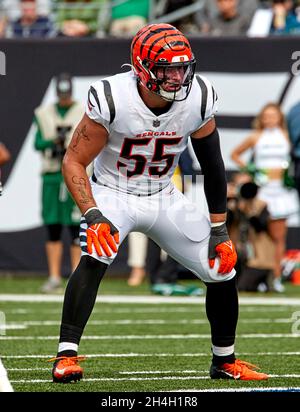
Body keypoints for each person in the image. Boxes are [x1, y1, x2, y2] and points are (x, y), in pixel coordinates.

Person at [49, 23, 268, 383]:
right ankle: (65, 355)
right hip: (113, 191)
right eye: (167, 69)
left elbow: (212, 165)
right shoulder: (112, 96)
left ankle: (224, 361)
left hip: (163, 194)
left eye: (182, 67)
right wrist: (93, 212)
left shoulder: (197, 97)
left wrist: (219, 228)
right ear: (142, 67)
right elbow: (73, 161)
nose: (177, 77)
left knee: (221, 267)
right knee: (95, 254)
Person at [231, 103, 297, 293]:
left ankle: (275, 277)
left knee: (278, 237)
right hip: (262, 192)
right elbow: (235, 154)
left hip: (281, 190)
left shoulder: (286, 136)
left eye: (273, 115)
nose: (270, 119)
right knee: (258, 236)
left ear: (279, 117)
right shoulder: (256, 137)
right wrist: (250, 169)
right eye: (266, 116)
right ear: (261, 118)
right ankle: (258, 275)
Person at [34, 73, 83, 293]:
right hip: (52, 173)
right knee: (53, 226)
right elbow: (38, 142)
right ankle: (54, 275)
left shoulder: (83, 110)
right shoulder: (44, 113)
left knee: (75, 227)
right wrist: (53, 141)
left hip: (74, 174)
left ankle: (75, 274)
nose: (64, 99)